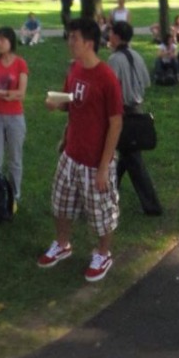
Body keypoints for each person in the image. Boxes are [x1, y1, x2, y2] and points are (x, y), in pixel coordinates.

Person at [37, 17, 125, 283]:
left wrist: (104, 167)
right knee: (60, 203)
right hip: (71, 154)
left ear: (89, 43)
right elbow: (71, 102)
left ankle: (103, 254)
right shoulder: (75, 69)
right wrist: (56, 104)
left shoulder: (106, 78)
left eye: (74, 38)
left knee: (101, 214)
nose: (69, 42)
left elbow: (116, 124)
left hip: (95, 161)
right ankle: (62, 244)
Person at [105, 22, 162, 216]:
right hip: (136, 109)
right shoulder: (136, 55)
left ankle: (152, 205)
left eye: (111, 33)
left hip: (123, 114)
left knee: (132, 160)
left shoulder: (115, 60)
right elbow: (145, 82)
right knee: (125, 154)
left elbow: (110, 89)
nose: (109, 36)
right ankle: (110, 188)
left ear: (117, 36)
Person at [0, 27, 31, 207]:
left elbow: (21, 94)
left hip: (15, 118)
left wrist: (3, 93)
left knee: (15, 159)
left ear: (11, 42)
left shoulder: (20, 64)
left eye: (2, 40)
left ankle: (14, 194)